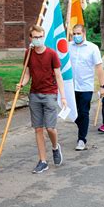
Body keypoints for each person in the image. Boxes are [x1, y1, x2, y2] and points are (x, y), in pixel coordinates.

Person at [18, 25, 67, 173]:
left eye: (40, 37)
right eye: (35, 37)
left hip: (50, 94)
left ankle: (55, 146)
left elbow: (58, 75)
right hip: (34, 94)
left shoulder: (51, 54)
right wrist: (22, 83)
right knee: (38, 129)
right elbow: (27, 74)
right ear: (30, 38)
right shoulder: (28, 53)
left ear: (43, 37)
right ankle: (43, 161)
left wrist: (63, 97)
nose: (38, 39)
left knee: (50, 128)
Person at [70, 24, 104, 151]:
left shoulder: (92, 48)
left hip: (86, 86)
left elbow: (99, 68)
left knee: (83, 112)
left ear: (84, 33)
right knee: (72, 113)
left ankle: (81, 139)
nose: (76, 36)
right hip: (71, 87)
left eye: (78, 33)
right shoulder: (68, 47)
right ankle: (82, 127)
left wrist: (102, 86)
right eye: (74, 34)